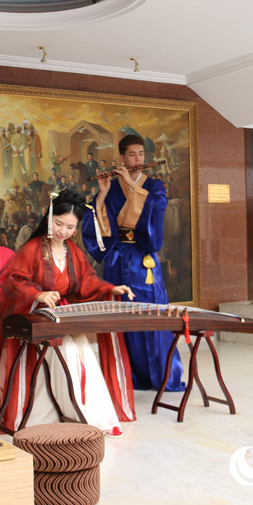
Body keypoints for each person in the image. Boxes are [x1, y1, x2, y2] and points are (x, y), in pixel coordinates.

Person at [0, 190, 136, 434]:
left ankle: (90, 418)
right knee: (67, 352)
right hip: (34, 317)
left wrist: (110, 288)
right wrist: (37, 294)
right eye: (59, 223)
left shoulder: (72, 252)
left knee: (82, 354)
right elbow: (12, 281)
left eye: (70, 227)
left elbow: (87, 281)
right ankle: (53, 415)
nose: (63, 231)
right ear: (49, 217)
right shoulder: (33, 248)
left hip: (62, 318)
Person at [81, 134, 185, 392]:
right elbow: (96, 221)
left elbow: (157, 208)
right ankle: (129, 375)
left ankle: (161, 375)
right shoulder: (111, 185)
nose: (138, 159)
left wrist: (132, 185)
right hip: (117, 260)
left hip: (143, 259)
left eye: (141, 154)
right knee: (121, 315)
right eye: (132, 155)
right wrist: (103, 194)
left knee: (151, 313)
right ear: (122, 157)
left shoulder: (154, 184)